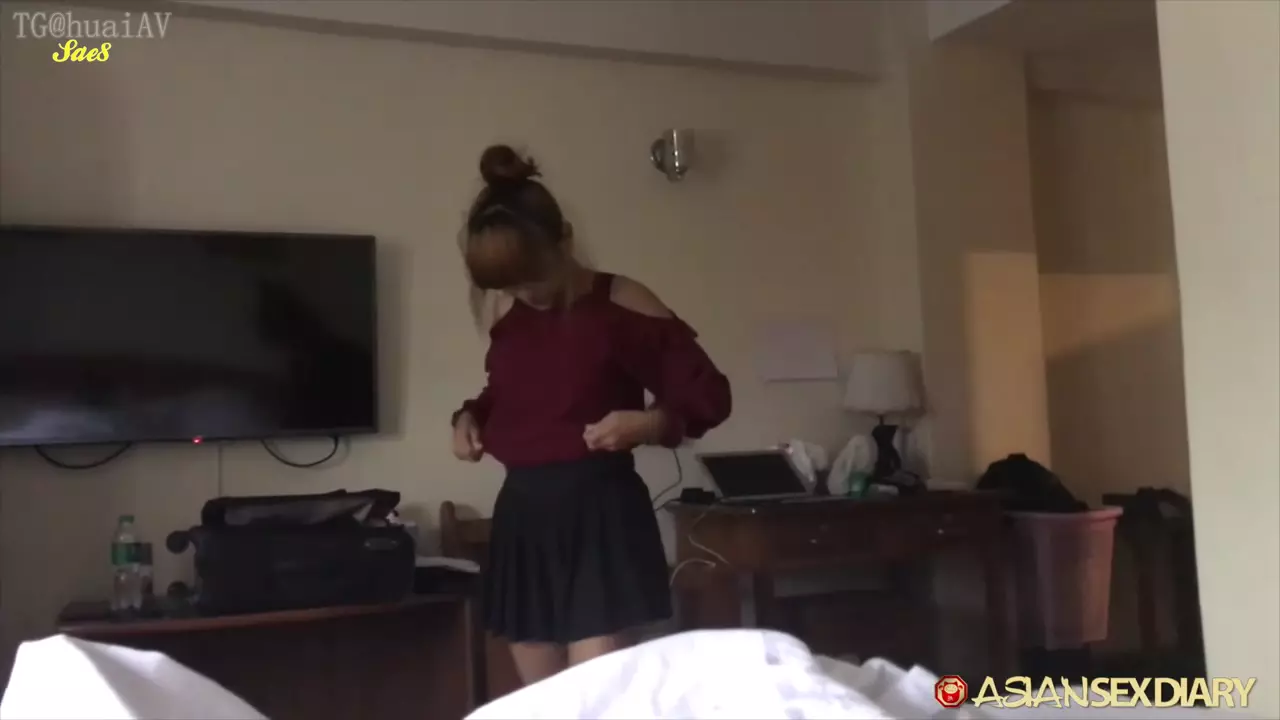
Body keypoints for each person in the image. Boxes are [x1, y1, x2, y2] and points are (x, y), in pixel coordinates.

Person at [450, 145, 733, 686]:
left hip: (601, 516)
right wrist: (468, 417)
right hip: (523, 519)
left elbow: (710, 396)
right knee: (545, 706)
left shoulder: (623, 301)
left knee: (595, 702)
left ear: (565, 241)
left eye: (531, 279)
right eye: (509, 286)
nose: (522, 295)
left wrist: (648, 424)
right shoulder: (511, 310)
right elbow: (504, 392)